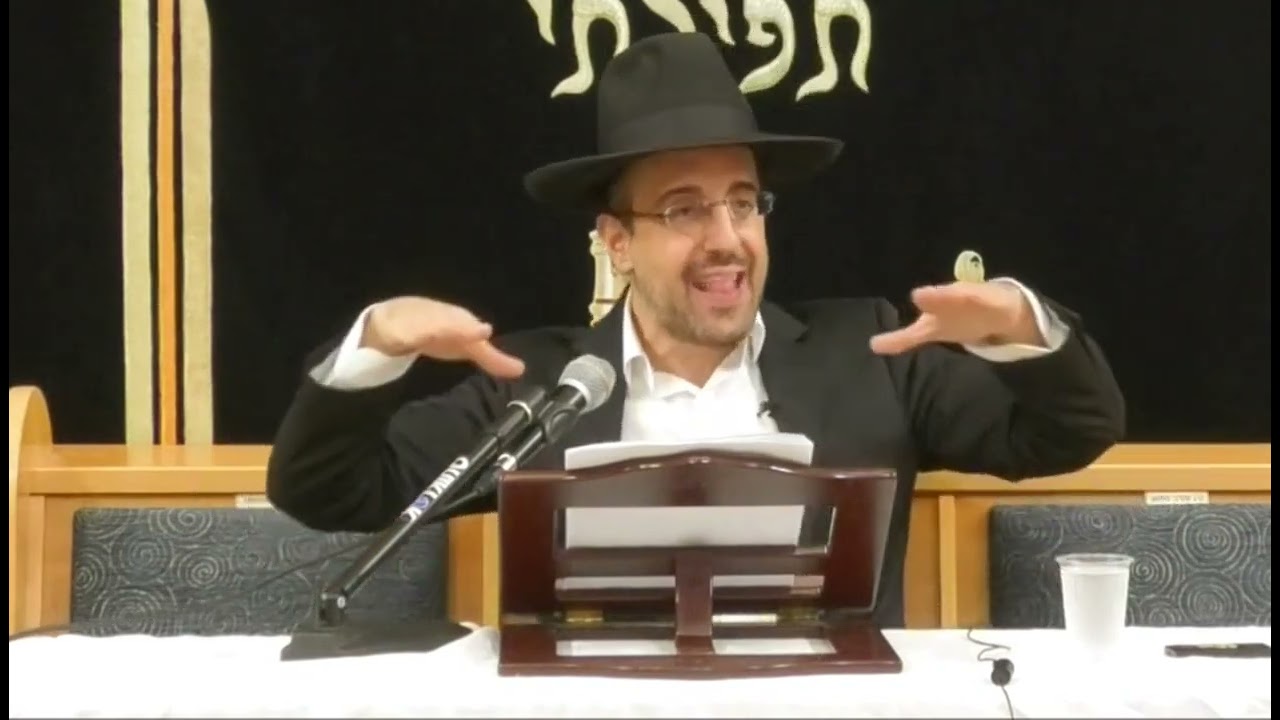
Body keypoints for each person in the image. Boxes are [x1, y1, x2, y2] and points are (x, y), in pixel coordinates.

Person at [266, 32, 1125, 627]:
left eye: (744, 203)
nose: (727, 238)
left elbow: (1069, 430)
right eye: (684, 209)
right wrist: (372, 345)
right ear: (617, 242)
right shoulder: (539, 387)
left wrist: (1024, 325)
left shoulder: (868, 354)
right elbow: (331, 491)